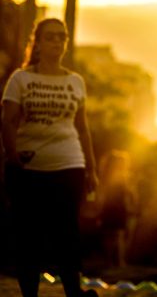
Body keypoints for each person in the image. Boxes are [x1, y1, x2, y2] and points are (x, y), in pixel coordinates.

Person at [1, 18, 99, 297]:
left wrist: (91, 168)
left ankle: (73, 292)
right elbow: (7, 122)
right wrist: (12, 158)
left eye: (61, 37)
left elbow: (82, 128)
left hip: (69, 165)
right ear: (38, 42)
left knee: (67, 234)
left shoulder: (75, 82)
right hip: (28, 169)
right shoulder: (21, 79)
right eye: (50, 37)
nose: (57, 42)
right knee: (28, 238)